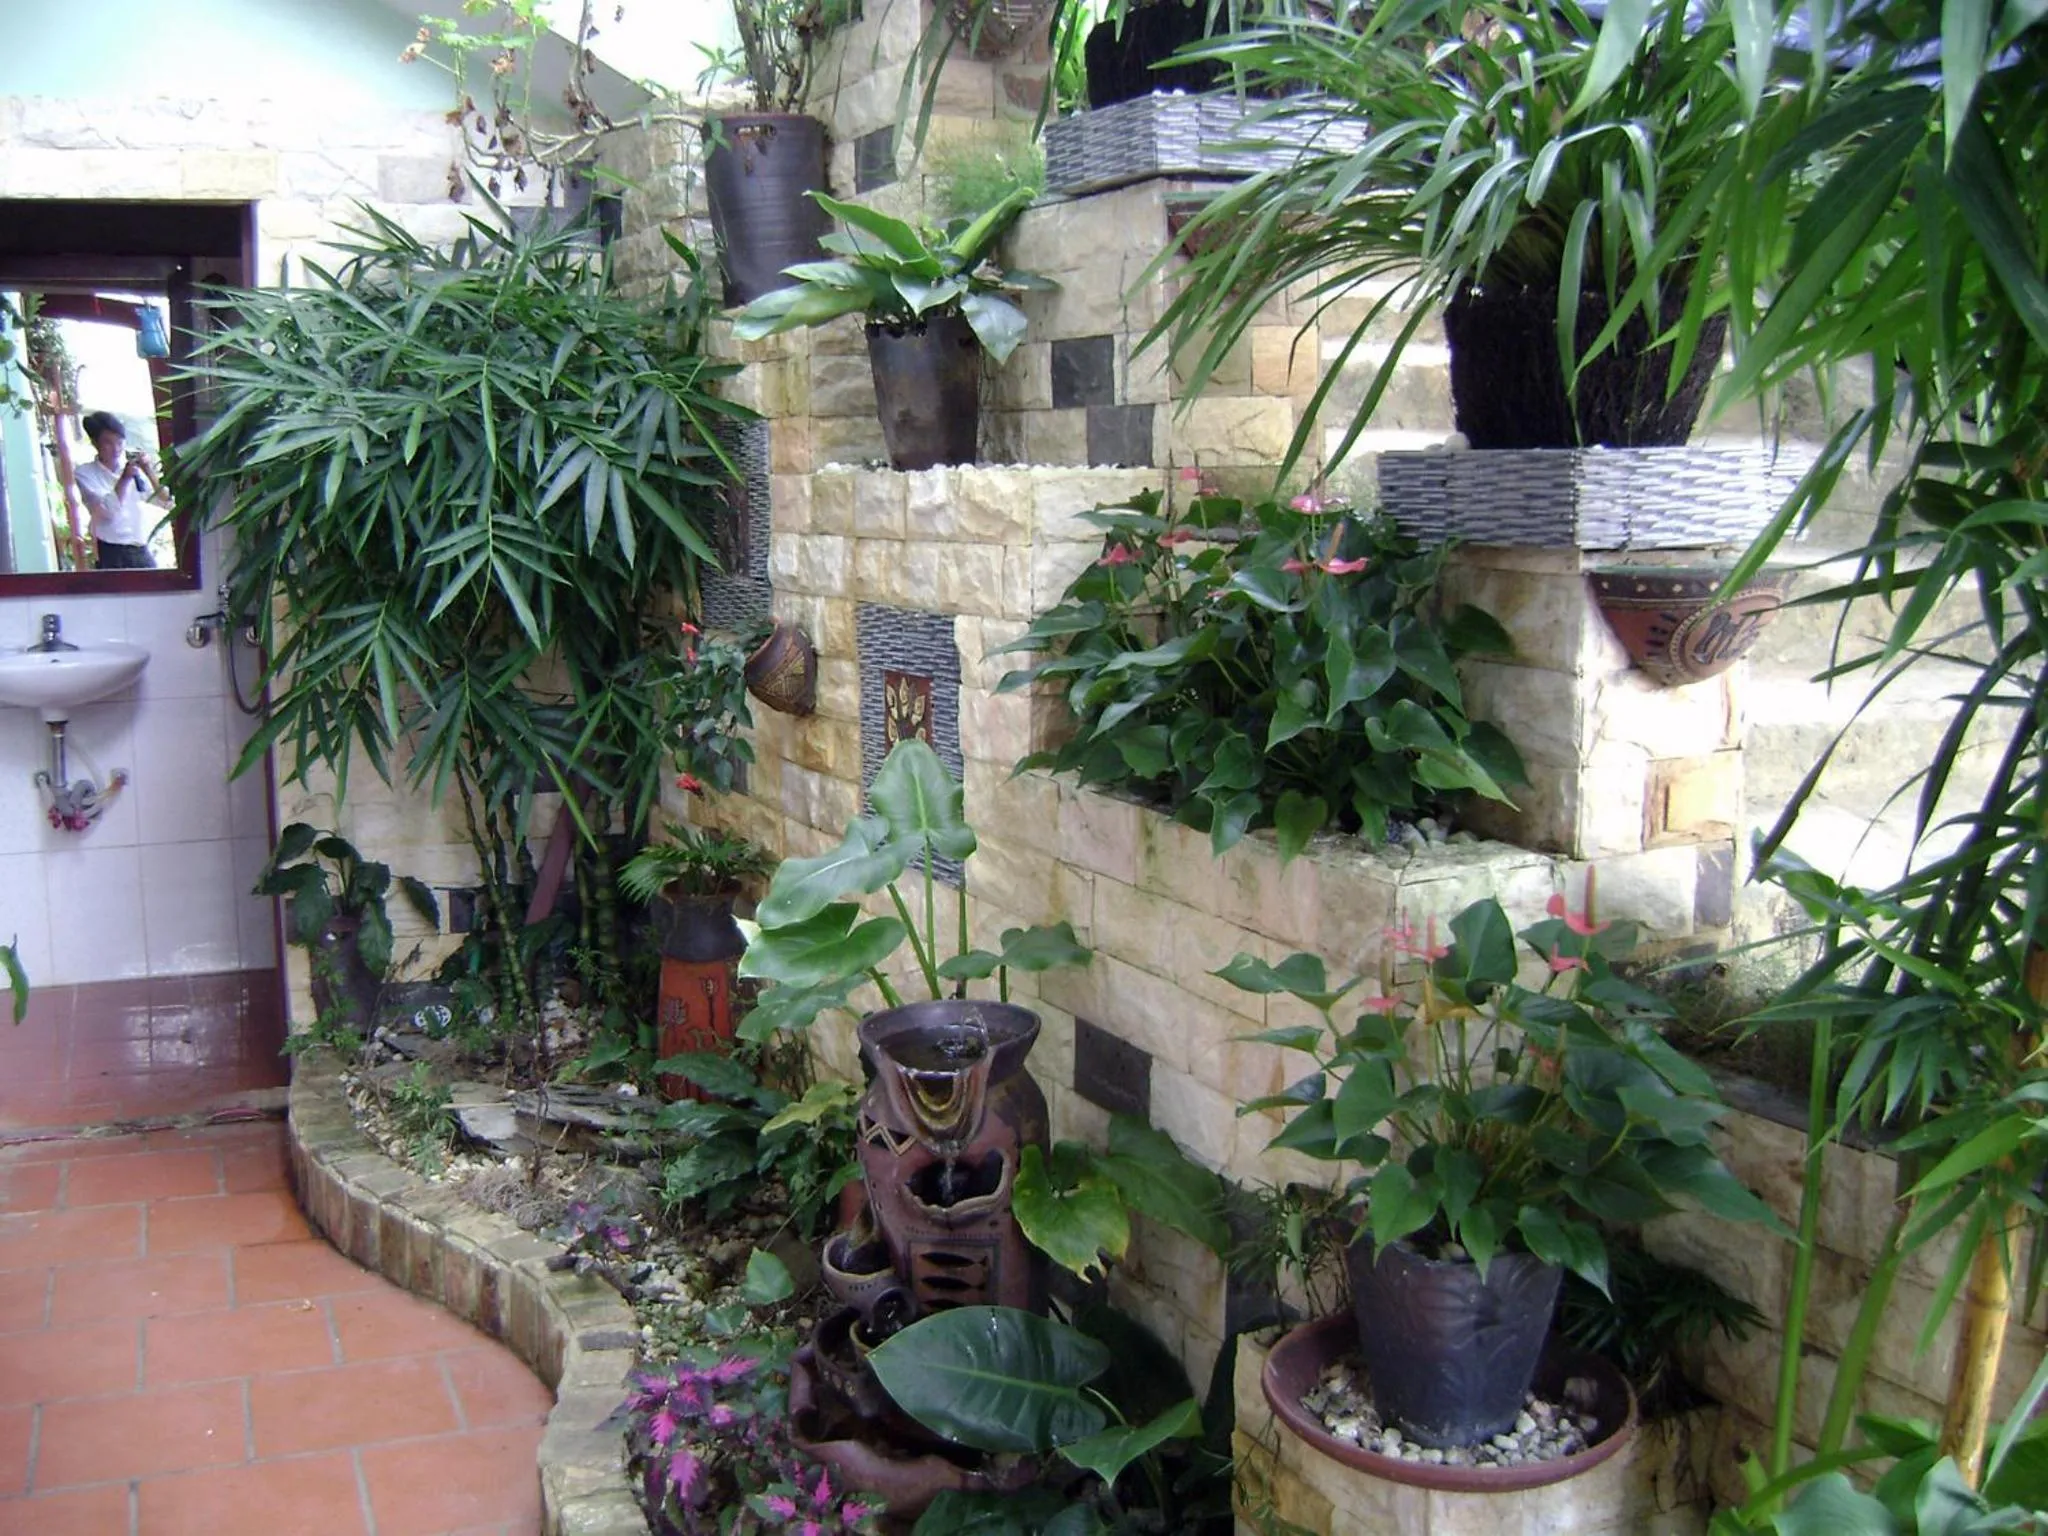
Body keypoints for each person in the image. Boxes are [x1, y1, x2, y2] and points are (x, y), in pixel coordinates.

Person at [72, 411, 164, 570]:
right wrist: (125, 479)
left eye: (120, 442)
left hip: (140, 547)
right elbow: (108, 512)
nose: (116, 449)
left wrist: (148, 470)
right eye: (108, 443)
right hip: (111, 549)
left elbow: (165, 501)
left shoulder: (134, 468)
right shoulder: (85, 473)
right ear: (95, 443)